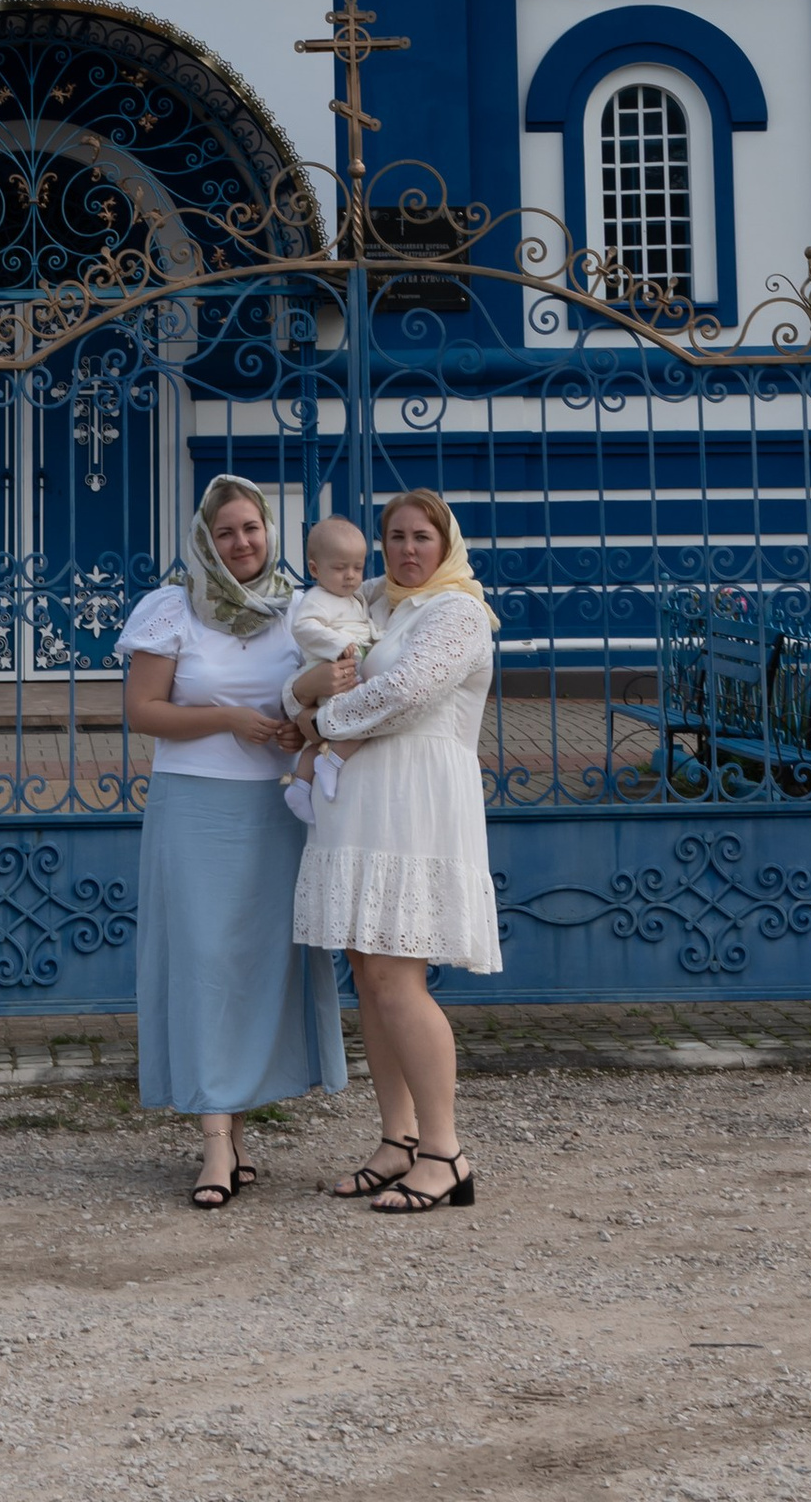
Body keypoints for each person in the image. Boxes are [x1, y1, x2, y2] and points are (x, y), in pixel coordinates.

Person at [119, 475, 349, 1207]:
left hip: (277, 809)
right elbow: (142, 712)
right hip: (194, 807)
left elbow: (322, 694)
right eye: (227, 532)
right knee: (201, 960)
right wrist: (227, 720)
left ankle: (241, 1130)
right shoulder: (172, 609)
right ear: (205, 540)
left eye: (252, 528)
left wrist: (296, 726)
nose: (242, 542)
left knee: (256, 965)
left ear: (269, 532)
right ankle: (215, 1141)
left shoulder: (298, 612)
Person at [290, 484, 501, 1216]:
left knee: (398, 979)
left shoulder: (459, 611)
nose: (408, 549)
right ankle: (397, 1140)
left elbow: (408, 691)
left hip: (417, 802)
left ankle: (446, 1151)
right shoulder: (373, 603)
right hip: (362, 805)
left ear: (446, 543)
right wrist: (308, 704)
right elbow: (307, 658)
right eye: (396, 536)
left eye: (422, 536)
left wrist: (322, 720)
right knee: (369, 972)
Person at [279, 517, 378, 827]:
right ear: (315, 569)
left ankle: (301, 786)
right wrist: (339, 645)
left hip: (346, 667)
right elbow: (304, 628)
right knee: (366, 715)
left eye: (358, 567)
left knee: (318, 742)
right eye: (340, 568)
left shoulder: (355, 597)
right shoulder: (317, 599)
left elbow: (364, 626)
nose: (350, 576)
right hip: (328, 670)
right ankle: (333, 761)